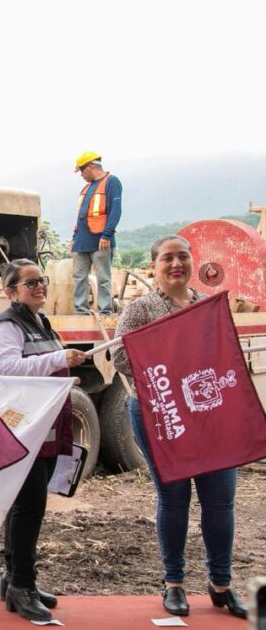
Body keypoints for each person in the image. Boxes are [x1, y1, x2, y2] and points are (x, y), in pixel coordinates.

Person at [112, 235, 247, 619]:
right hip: (162, 416)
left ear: (192, 262)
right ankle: (173, 583)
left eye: (183, 256)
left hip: (208, 415)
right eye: (167, 258)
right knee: (174, 499)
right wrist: (172, 358)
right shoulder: (140, 309)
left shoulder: (208, 306)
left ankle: (221, 583)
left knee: (220, 500)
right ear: (154, 266)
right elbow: (120, 356)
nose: (176, 264)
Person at [0, 259, 86, 622]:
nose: (40, 286)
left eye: (42, 280)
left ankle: (14, 580)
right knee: (28, 508)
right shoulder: (5, 326)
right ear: (10, 292)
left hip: (42, 426)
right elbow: (9, 369)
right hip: (22, 429)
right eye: (31, 283)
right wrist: (59, 358)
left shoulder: (39, 321)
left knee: (27, 508)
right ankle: (21, 585)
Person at [71, 151, 123, 315]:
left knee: (103, 278)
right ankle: (80, 311)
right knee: (79, 277)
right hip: (82, 240)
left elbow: (115, 210)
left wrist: (107, 234)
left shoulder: (111, 182)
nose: (81, 175)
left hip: (101, 239)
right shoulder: (87, 187)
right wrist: (74, 239)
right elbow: (81, 216)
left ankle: (105, 311)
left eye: (82, 170)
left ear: (91, 166)